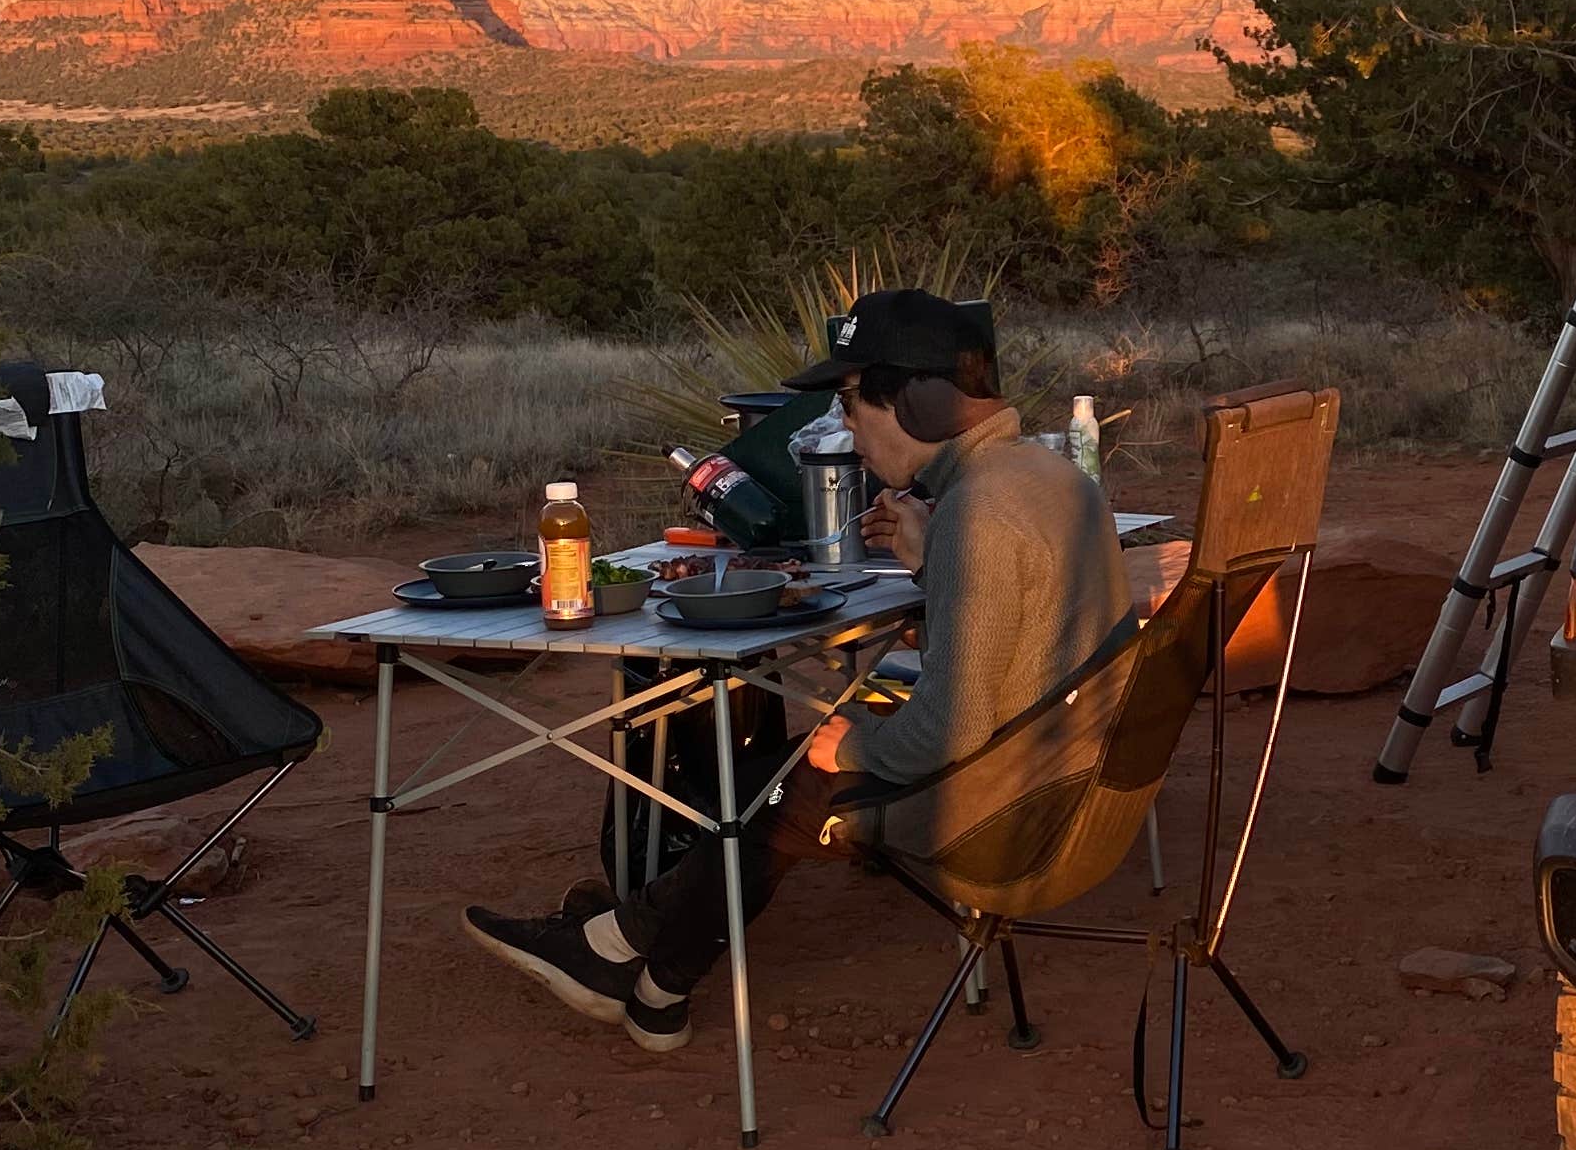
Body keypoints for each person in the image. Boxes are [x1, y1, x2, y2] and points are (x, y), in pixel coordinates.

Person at [460, 288, 1123, 1053]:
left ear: (920, 399)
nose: (845, 427)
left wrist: (856, 750)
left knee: (801, 774)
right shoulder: (1047, 477)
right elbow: (1017, 625)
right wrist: (928, 560)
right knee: (793, 770)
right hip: (1076, 777)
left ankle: (619, 948)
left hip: (1011, 813)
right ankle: (648, 977)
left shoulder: (980, 511)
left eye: (850, 402)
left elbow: (951, 727)